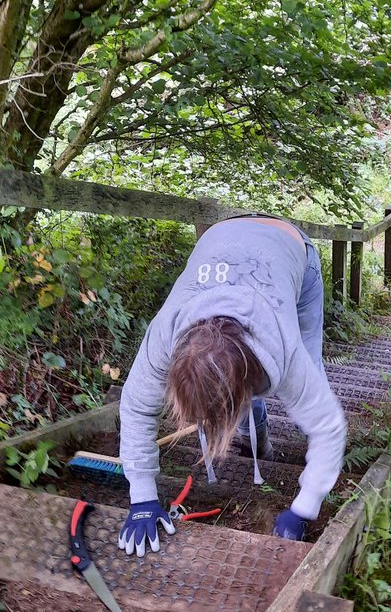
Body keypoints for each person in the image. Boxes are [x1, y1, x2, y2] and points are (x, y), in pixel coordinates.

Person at [117, 215, 347, 556]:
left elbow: (329, 427)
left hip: (293, 249)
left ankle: (297, 459)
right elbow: (136, 408)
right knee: (225, 386)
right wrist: (143, 498)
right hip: (221, 235)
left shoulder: (286, 350)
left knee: (312, 374)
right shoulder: (163, 337)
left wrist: (306, 506)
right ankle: (257, 439)